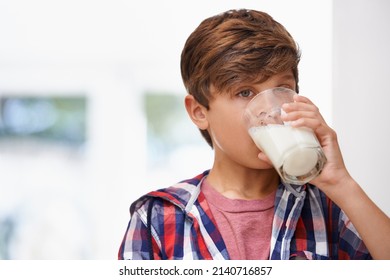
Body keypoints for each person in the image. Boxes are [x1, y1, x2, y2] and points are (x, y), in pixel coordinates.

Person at [118, 9, 390, 260]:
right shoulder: (156, 218)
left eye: (281, 89)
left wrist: (341, 182)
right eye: (245, 93)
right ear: (199, 111)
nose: (270, 111)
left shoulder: (330, 207)